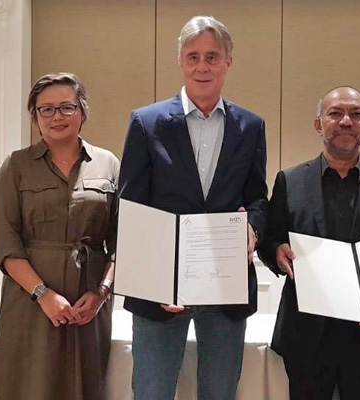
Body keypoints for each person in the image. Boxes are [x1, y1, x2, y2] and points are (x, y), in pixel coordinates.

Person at [118, 15, 268, 400]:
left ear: (228, 63)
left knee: (219, 394)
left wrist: (252, 226)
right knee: (152, 393)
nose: (203, 66)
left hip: (225, 288)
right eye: (193, 57)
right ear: (180, 62)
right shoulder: (146, 123)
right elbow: (130, 208)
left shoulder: (251, 126)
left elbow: (257, 197)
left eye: (212, 57)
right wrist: (151, 280)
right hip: (160, 291)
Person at [259, 86, 360, 400]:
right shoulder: (290, 181)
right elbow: (269, 237)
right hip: (307, 334)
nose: (346, 121)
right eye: (335, 113)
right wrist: (275, 250)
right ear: (319, 124)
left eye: (356, 115)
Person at [0, 72, 119, 400]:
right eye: (46, 109)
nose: (57, 116)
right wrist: (43, 294)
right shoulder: (16, 166)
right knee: (29, 387)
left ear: (82, 111)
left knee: (85, 387)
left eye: (66, 107)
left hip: (89, 306)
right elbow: (3, 243)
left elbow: (124, 242)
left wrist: (102, 292)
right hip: (29, 303)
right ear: (34, 116)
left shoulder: (108, 164)